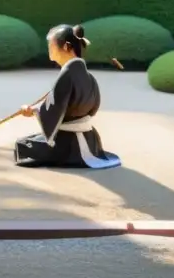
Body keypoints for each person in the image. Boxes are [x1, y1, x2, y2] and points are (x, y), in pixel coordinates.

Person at [14, 24, 121, 169]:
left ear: (65, 47)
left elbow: (54, 108)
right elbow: (93, 108)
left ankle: (70, 156)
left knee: (22, 145)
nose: (49, 49)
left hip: (69, 144)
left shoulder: (68, 74)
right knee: (31, 139)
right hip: (91, 140)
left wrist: (32, 110)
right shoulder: (89, 76)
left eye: (51, 45)